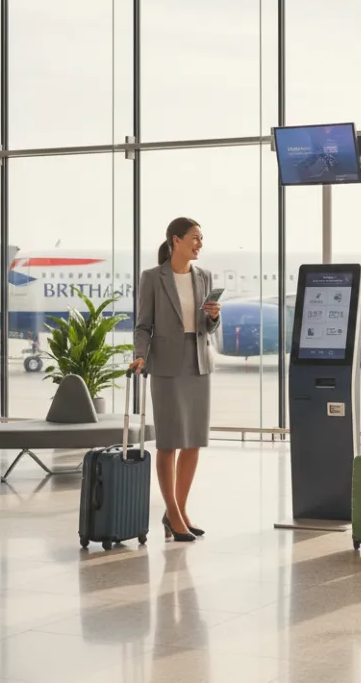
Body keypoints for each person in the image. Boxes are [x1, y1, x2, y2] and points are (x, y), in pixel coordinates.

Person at [129, 217, 220, 543]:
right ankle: (174, 515)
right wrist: (140, 354)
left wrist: (213, 317)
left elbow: (209, 329)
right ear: (175, 241)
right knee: (169, 442)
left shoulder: (204, 277)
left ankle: (176, 514)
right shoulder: (153, 278)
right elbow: (143, 325)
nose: (200, 243)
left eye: (201, 238)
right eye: (195, 238)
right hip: (166, 366)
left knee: (194, 441)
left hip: (198, 364)